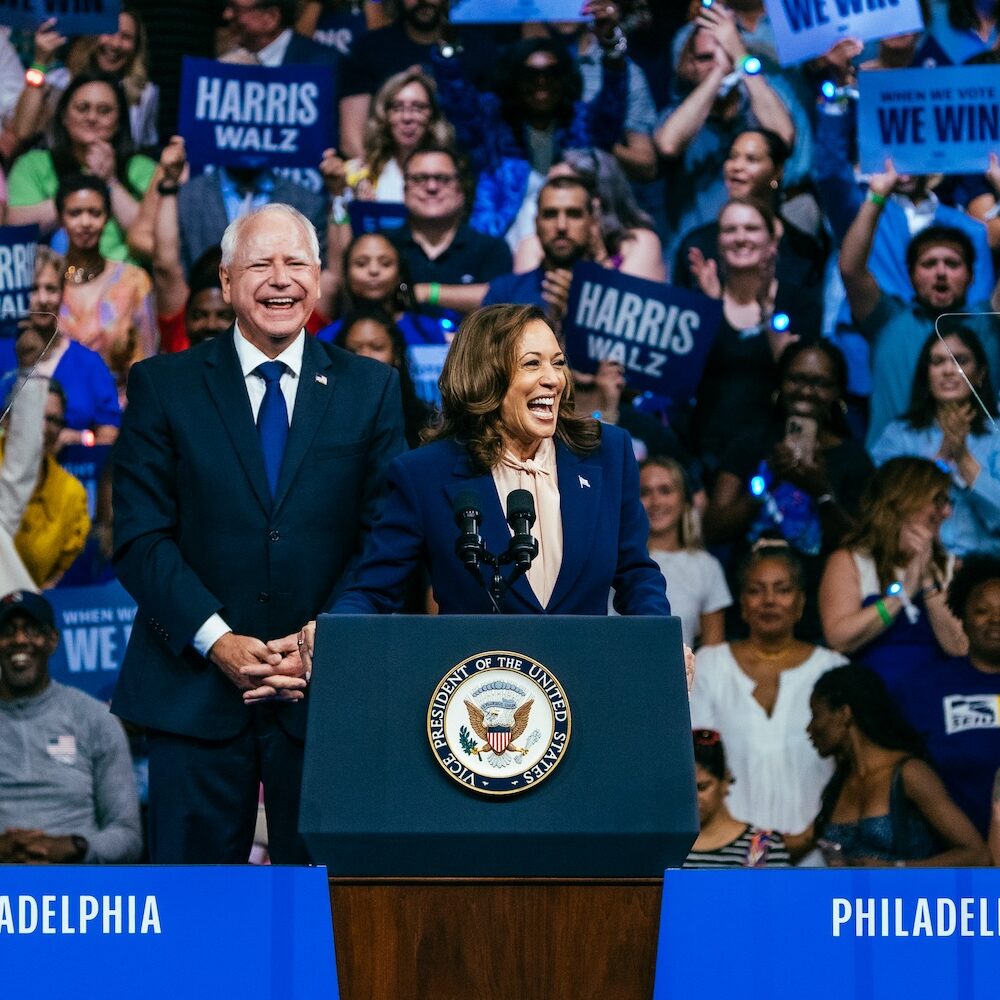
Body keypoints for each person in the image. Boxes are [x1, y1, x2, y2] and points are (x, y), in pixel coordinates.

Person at [110, 203, 406, 864]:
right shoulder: (164, 385)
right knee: (194, 925)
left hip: (328, 694)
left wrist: (322, 637)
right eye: (260, 264)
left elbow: (387, 539)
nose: (281, 280)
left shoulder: (371, 388)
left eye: (296, 263)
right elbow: (138, 537)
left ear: (321, 278)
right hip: (194, 690)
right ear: (225, 281)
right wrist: (218, 642)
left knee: (330, 927)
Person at [289, 303, 671, 631]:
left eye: (558, 363)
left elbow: (636, 573)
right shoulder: (425, 474)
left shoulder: (607, 452)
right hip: (484, 700)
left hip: (585, 687)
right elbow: (374, 589)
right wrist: (331, 632)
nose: (553, 380)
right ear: (486, 377)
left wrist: (660, 642)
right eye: (532, 364)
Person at [704, 340, 873, 639]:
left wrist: (820, 490)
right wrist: (768, 481)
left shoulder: (853, 459)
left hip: (818, 600)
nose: (807, 391)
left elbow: (861, 543)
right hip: (750, 598)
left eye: (821, 383)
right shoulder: (750, 444)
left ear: (836, 392)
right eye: (797, 379)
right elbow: (714, 527)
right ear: (781, 382)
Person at [689, 544, 847, 838]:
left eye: (783, 589)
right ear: (742, 603)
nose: (769, 600)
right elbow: (696, 765)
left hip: (815, 856)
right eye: (756, 590)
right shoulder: (710, 665)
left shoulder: (834, 670)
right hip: (728, 856)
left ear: (801, 601)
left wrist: (809, 838)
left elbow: (854, 768)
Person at [840, 159, 1000, 448]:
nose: (940, 271)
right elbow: (851, 270)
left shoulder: (989, 321)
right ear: (912, 276)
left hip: (980, 482)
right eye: (929, 263)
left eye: (952, 263)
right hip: (897, 476)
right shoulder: (886, 320)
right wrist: (877, 196)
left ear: (971, 275)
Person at [796, 664, 989, 867]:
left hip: (905, 897)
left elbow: (976, 855)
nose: (809, 729)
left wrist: (897, 869)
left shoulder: (909, 773)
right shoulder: (839, 783)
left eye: (816, 715)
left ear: (844, 713)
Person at [0, 590, 142, 864]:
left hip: (77, 888)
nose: (19, 639)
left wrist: (76, 847)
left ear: (52, 640)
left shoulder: (95, 718)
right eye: (8, 630)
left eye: (32, 630)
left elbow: (128, 836)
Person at [689, 197, 822, 474]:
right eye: (729, 230)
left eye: (751, 229)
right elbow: (688, 378)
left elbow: (794, 373)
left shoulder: (800, 300)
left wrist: (766, 309)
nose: (740, 238)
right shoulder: (702, 301)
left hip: (772, 445)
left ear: (772, 241)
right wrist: (710, 308)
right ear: (718, 242)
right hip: (707, 447)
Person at [654, 7, 795, 266]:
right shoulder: (678, 114)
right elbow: (668, 144)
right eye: (705, 58)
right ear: (690, 65)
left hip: (752, 253)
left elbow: (783, 136)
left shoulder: (756, 109)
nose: (718, 62)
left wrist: (739, 54)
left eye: (725, 54)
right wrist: (718, 72)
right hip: (692, 255)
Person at [819, 457, 967, 699]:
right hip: (870, 698)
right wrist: (901, 596)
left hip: (935, 698)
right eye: (938, 501)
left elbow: (960, 647)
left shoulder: (951, 566)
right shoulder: (850, 562)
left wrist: (928, 580)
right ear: (904, 503)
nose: (947, 511)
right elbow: (839, 640)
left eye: (947, 501)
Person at [889, 557, 1000, 839]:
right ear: (961, 616)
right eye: (982, 610)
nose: (995, 619)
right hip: (947, 859)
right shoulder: (922, 689)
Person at [872, 327, 1000, 558]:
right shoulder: (898, 435)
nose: (949, 370)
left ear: (980, 374)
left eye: (960, 361)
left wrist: (963, 458)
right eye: (938, 362)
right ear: (926, 375)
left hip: (984, 568)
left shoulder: (996, 434)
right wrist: (941, 458)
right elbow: (883, 508)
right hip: (912, 561)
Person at [6, 72, 157, 264]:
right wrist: (79, 190)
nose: (92, 118)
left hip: (124, 283)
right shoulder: (33, 164)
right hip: (55, 283)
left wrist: (110, 181)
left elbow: (153, 239)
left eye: (104, 111)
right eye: (82, 108)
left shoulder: (143, 168)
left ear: (119, 121)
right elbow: (15, 229)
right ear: (64, 116)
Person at [673, 128, 825, 293]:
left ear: (777, 172)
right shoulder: (698, 245)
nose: (736, 166)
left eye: (751, 159)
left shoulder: (804, 251)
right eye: (732, 157)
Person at [316, 231, 455, 404]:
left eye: (385, 263)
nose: (374, 271)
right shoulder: (326, 338)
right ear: (346, 274)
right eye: (361, 264)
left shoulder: (427, 330)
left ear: (400, 273)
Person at [3, 246, 120, 450]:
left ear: (63, 292)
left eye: (51, 289)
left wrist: (82, 439)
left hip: (74, 476)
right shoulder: (3, 357)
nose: (42, 299)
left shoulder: (89, 364)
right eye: (32, 289)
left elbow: (111, 437)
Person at [55, 174, 157, 400]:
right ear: (61, 219)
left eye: (95, 213)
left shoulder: (132, 282)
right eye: (75, 213)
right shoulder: (47, 283)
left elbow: (146, 362)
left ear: (107, 218)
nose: (85, 223)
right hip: (55, 411)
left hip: (119, 407)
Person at [12, 10, 159, 151]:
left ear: (136, 46)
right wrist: (40, 62)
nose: (115, 44)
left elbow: (145, 147)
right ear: (91, 37)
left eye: (126, 37)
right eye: (109, 33)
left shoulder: (145, 93)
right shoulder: (59, 82)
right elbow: (23, 131)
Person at [512, 147, 665, 282]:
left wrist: (600, 256)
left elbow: (630, 308)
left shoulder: (638, 242)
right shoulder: (533, 246)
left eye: (568, 185)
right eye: (551, 184)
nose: (556, 194)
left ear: (597, 199)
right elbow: (525, 300)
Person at [391, 147, 513, 314]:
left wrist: (427, 292)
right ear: (404, 189)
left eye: (443, 179)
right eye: (419, 179)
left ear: (461, 190)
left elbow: (502, 301)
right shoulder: (384, 245)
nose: (432, 187)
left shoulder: (492, 249)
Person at [624, 458, 729, 649]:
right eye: (644, 492)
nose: (655, 501)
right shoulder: (614, 559)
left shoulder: (706, 567)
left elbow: (713, 655)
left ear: (684, 500)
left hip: (679, 677)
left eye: (665, 491)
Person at [6, 381, 90, 590]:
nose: (43, 428)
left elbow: (60, 574)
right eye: (33, 414)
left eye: (53, 420)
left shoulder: (71, 493)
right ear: (7, 421)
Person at [328, 68, 455, 203]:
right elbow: (338, 222)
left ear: (432, 115)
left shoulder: (453, 172)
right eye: (397, 107)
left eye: (418, 107)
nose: (407, 117)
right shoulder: (360, 174)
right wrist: (339, 195)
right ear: (385, 115)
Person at [683, 728, 791, 868]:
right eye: (685, 790)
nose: (693, 797)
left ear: (725, 781)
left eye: (702, 787)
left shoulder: (762, 846)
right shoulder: (669, 848)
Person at [334, 305, 433, 449]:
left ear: (396, 354)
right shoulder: (330, 417)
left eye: (377, 347)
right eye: (354, 349)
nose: (365, 357)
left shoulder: (426, 421)